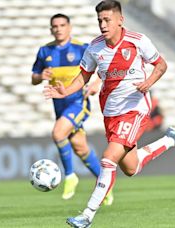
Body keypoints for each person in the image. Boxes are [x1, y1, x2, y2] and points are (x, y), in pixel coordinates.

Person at [43, 1, 175, 227]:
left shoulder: (138, 41)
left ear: (120, 19)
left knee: (107, 159)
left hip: (135, 109)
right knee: (131, 168)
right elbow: (83, 76)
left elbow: (161, 65)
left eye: (107, 20)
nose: (103, 25)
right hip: (111, 114)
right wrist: (66, 90)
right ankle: (170, 140)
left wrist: (148, 82)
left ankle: (87, 215)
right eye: (100, 21)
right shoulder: (94, 47)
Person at [32, 13, 113, 205]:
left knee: (58, 133)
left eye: (62, 25)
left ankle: (69, 176)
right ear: (51, 29)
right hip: (60, 107)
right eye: (55, 26)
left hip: (78, 104)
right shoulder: (45, 51)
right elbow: (33, 78)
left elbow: (105, 67)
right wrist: (40, 76)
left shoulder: (82, 48)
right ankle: (106, 186)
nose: (58, 29)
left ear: (69, 27)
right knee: (80, 147)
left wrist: (96, 83)